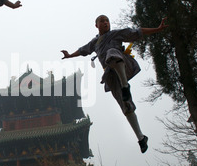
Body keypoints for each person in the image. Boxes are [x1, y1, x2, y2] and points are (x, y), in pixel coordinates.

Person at [61, 15, 168, 153]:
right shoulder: (94, 42)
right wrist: (70, 55)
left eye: (107, 21)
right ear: (96, 25)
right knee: (126, 106)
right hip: (110, 75)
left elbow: (137, 31)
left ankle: (125, 85)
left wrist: (157, 29)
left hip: (123, 64)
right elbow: (83, 50)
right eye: (102, 21)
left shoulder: (115, 34)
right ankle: (141, 138)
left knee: (111, 53)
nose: (105, 23)